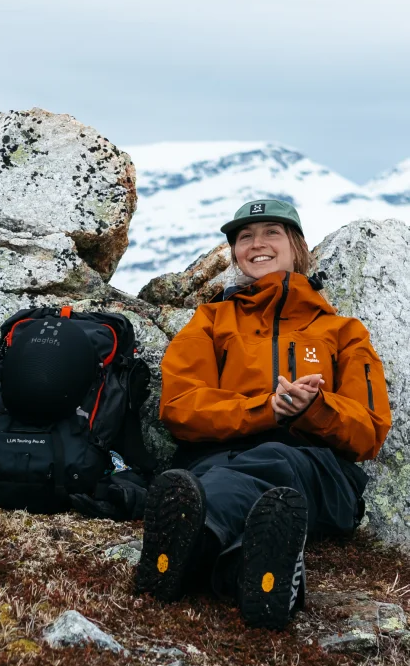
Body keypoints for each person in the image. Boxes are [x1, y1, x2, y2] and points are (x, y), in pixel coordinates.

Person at [135, 199, 391, 629]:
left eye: (271, 232)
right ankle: (248, 572)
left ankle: (186, 547)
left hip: (318, 471)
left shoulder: (343, 332)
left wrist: (314, 408)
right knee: (239, 476)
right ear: (234, 252)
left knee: (275, 461)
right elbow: (179, 407)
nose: (257, 244)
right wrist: (266, 409)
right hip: (222, 458)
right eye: (244, 237)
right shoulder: (211, 321)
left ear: (296, 246)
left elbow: (370, 431)